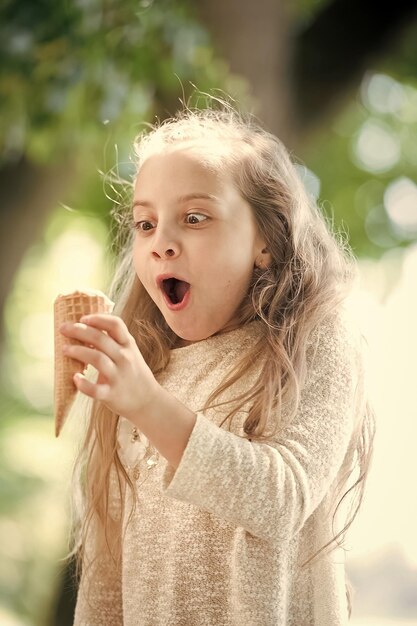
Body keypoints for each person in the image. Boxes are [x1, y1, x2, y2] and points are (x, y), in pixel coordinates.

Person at [60, 100, 375, 626]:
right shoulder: (146, 369)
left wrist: (147, 405)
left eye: (195, 218)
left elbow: (282, 498)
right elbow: (105, 583)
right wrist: (140, 399)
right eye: (144, 224)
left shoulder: (314, 339)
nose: (161, 243)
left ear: (266, 241)